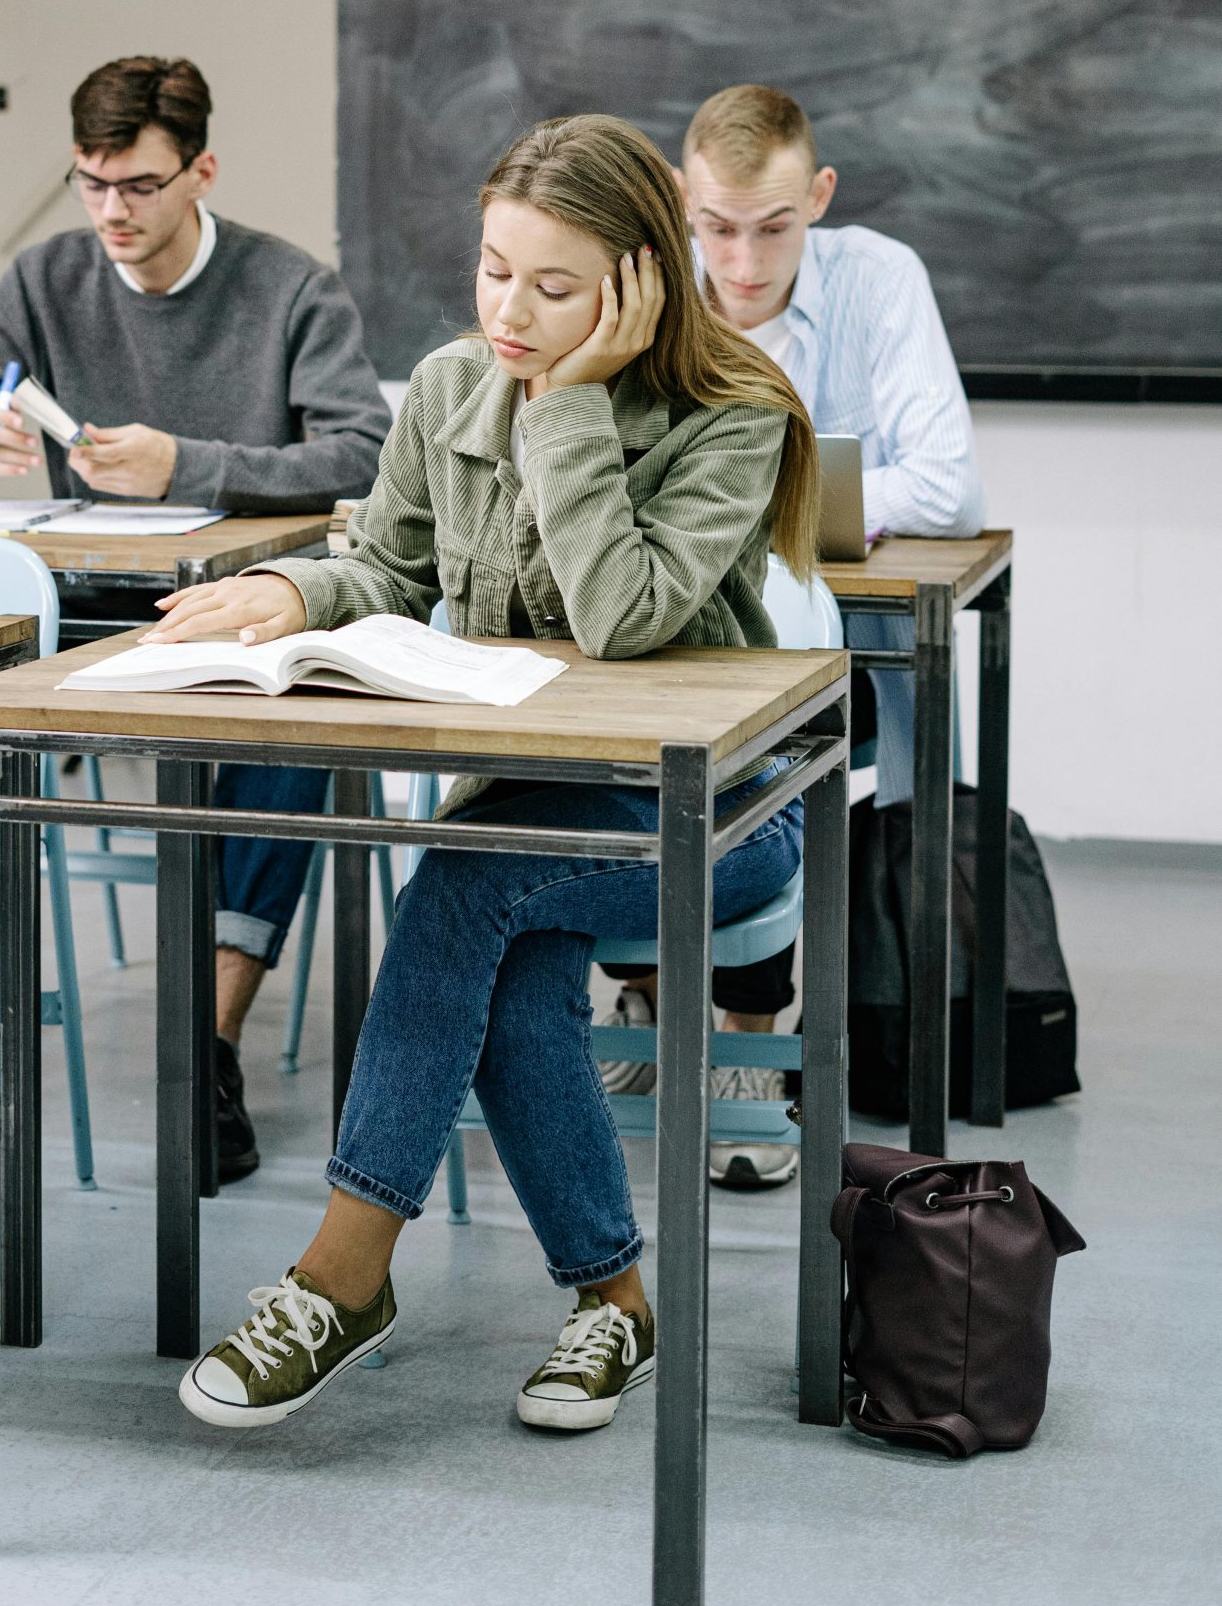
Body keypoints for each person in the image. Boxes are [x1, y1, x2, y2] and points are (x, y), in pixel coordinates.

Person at [146, 112, 819, 1435]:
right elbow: (388, 573)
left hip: (718, 811)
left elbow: (627, 616)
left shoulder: (728, 414)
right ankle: (615, 1309)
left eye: (554, 287)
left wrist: (566, 409)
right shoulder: (452, 386)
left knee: (465, 882)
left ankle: (340, 1279)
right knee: (495, 936)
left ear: (639, 282)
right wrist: (290, 586)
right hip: (526, 812)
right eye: (492, 269)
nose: (508, 311)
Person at [0, 56, 390, 1181]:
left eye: (141, 185)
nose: (113, 212)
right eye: (91, 183)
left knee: (292, 711)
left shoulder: (292, 287)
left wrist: (184, 463)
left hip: (243, 605)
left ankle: (205, 1043)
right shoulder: (43, 279)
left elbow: (361, 451)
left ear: (201, 170)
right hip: (81, 602)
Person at [603, 82, 985, 1191]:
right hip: (667, 626)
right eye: (716, 225)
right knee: (619, 727)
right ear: (682, 201)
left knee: (762, 750)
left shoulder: (880, 277)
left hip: (824, 649)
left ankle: (749, 1041)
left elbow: (950, 483)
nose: (742, 257)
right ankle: (652, 996)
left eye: (775, 226)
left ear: (818, 195)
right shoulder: (645, 275)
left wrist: (770, 503)